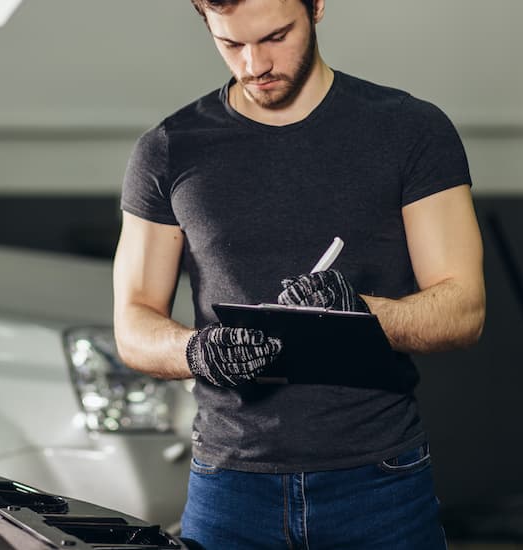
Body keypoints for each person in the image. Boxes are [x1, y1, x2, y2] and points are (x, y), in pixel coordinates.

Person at [111, 0, 485, 548]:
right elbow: (133, 322)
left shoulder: (411, 131)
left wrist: (359, 313)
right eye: (231, 44)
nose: (254, 64)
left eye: (275, 36)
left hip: (379, 483)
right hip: (229, 485)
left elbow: (464, 310)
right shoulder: (168, 149)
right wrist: (195, 352)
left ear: (316, 7)